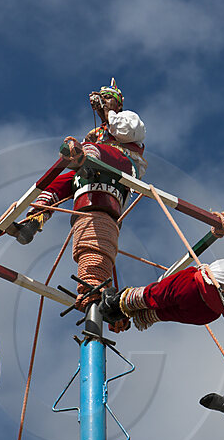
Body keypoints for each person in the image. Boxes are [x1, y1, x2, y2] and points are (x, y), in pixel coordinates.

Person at [9, 80, 147, 308]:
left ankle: (88, 165)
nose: (104, 101)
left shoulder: (127, 118)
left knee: (89, 152)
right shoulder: (96, 133)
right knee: (59, 181)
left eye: (108, 97)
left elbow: (127, 132)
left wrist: (109, 114)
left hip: (121, 164)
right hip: (92, 173)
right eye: (102, 98)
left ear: (119, 103)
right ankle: (33, 221)